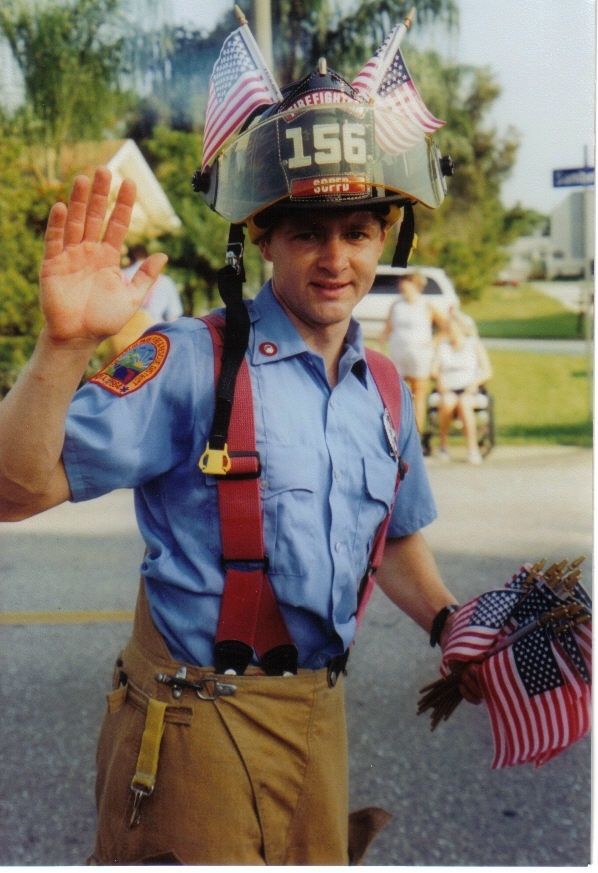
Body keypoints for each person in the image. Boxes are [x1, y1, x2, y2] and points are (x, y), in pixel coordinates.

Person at [0, 58, 480, 865]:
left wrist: (448, 621)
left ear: (385, 237)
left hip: (317, 716)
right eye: (306, 233)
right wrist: (63, 346)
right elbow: (14, 491)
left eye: (357, 232)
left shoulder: (387, 390)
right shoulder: (193, 361)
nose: (335, 259)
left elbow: (391, 536)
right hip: (195, 723)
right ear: (260, 236)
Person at [380, 272, 443, 438]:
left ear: (415, 286)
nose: (403, 289)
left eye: (406, 286)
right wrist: (379, 345)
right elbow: (388, 328)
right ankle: (397, 432)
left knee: (419, 391)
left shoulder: (426, 305)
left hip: (420, 354)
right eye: (401, 287)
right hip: (398, 352)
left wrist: (434, 342)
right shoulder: (396, 304)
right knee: (397, 391)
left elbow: (446, 327)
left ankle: (417, 434)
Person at [430, 311, 493, 464]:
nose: (449, 332)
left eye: (452, 328)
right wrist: (439, 380)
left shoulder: (474, 344)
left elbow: (487, 371)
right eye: (447, 329)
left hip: (469, 389)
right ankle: (443, 445)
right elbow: (433, 370)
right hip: (448, 388)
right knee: (447, 403)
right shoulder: (442, 346)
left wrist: (475, 383)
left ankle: (472, 449)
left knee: (464, 403)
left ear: (460, 328)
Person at [123, 243, 183, 324]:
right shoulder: (165, 281)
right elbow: (173, 316)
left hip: (123, 334)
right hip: (153, 332)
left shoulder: (120, 276)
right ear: (148, 257)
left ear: (129, 260)